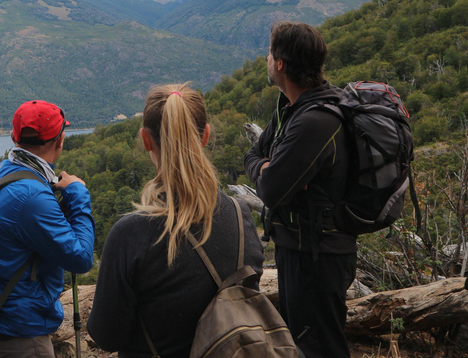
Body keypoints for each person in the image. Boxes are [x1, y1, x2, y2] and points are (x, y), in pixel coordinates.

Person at [87, 83, 265, 358]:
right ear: (205, 136)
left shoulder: (130, 235)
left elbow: (107, 336)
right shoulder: (240, 216)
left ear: (146, 140)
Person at [244, 21, 356, 358]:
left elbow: (270, 190)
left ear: (280, 64)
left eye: (269, 54)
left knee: (318, 347)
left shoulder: (314, 121)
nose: (266, 59)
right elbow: (253, 155)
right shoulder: (291, 108)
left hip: (316, 257)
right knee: (303, 343)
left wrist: (270, 170)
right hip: (301, 248)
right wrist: (269, 166)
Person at [0, 100, 95, 358]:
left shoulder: (1, 172)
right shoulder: (31, 196)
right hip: (21, 336)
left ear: (14, 137)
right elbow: (81, 259)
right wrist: (78, 193)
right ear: (60, 140)